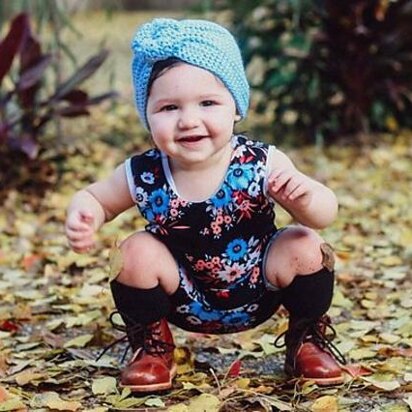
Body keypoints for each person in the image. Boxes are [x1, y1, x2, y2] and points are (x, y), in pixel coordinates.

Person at [65, 18, 346, 393]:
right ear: (146, 114)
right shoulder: (144, 172)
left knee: (305, 243)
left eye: (208, 102)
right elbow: (97, 197)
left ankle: (306, 341)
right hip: (182, 294)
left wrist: (306, 199)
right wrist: (85, 210)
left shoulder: (259, 162)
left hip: (259, 283)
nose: (188, 120)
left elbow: (326, 214)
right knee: (134, 251)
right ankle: (152, 348)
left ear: (235, 107)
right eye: (168, 108)